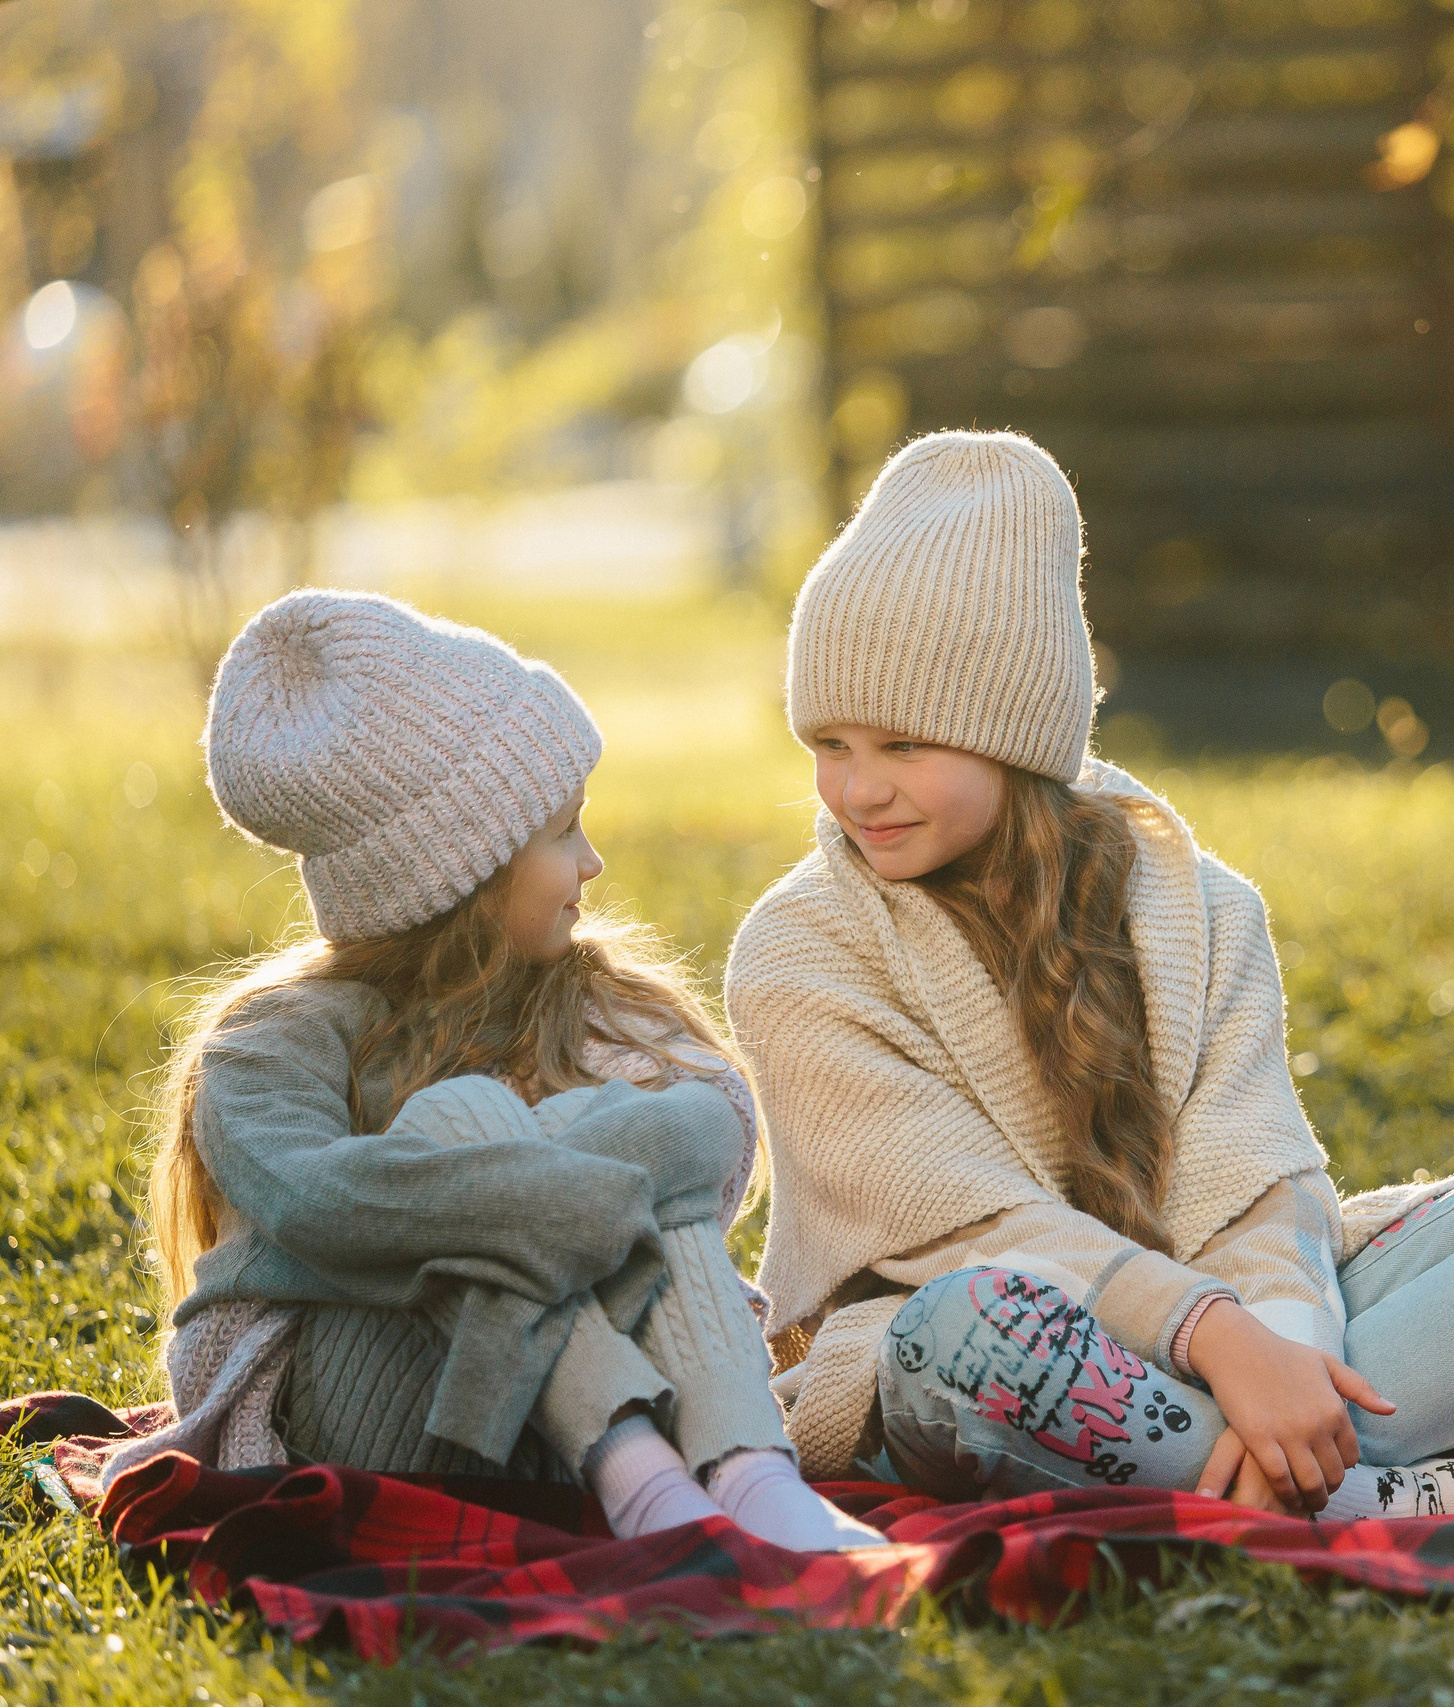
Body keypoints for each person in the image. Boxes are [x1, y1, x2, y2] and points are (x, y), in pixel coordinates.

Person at [729, 430, 1454, 1520]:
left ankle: (1285, 1462)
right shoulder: (799, 949)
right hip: (986, 1358)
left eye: (903, 746)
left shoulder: (1198, 905)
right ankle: (1378, 1497)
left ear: (1012, 735)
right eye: (830, 743)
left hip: (1214, 1339)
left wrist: (1283, 1345)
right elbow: (974, 1228)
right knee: (964, 1325)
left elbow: (1254, 1176)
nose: (857, 790)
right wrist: (1215, 1337)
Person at [109, 589, 881, 1553]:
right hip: (374, 1421)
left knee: (509, 1170)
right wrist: (556, 1191)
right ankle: (660, 1494)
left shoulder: (587, 994)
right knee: (466, 1119)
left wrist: (511, 1193)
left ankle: (752, 1481)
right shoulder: (274, 1043)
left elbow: (712, 1129)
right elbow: (316, 1203)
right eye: (562, 832)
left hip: (582, 1423)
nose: (593, 862)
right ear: (460, 871)